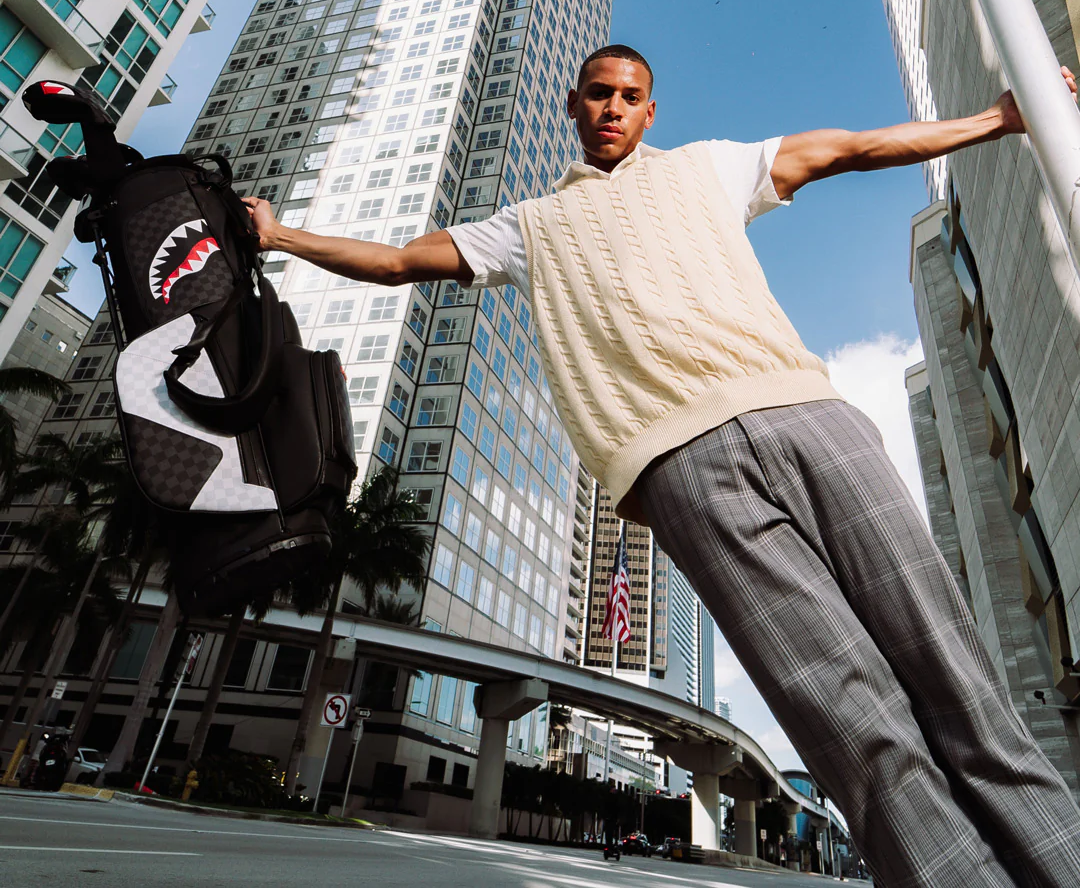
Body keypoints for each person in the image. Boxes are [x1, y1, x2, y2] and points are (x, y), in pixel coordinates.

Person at [245, 44, 1080, 888]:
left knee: (954, 677)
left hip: (807, 415)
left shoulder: (709, 168)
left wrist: (997, 119)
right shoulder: (528, 227)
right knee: (855, 724)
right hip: (684, 469)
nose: (612, 107)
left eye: (629, 96)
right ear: (573, 105)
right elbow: (396, 263)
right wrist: (279, 236)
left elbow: (850, 148)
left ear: (651, 111)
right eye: (597, 94)